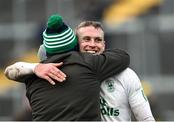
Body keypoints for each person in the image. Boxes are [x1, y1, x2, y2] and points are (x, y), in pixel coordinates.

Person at [5, 21, 154, 121]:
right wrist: (35, 67)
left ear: (104, 43)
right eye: (86, 39)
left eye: (97, 40)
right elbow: (10, 71)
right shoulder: (47, 71)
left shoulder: (126, 75)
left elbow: (146, 118)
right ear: (75, 44)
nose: (92, 44)